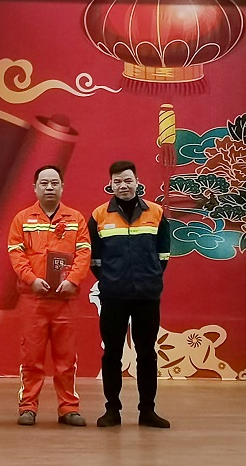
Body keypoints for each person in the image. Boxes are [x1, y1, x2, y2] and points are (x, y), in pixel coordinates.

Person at [7, 165, 91, 427]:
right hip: (33, 300)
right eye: (44, 183)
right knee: (31, 359)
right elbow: (16, 254)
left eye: (54, 183)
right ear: (35, 188)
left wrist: (73, 280)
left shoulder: (76, 219)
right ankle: (28, 407)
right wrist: (31, 280)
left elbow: (84, 253)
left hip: (66, 301)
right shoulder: (22, 219)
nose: (49, 188)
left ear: (62, 187)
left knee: (66, 360)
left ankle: (69, 408)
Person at [89, 160, 171, 429]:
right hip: (113, 296)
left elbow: (163, 255)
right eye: (117, 181)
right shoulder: (99, 215)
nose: (123, 185)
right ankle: (112, 410)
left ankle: (147, 410)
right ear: (110, 185)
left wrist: (150, 277)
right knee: (112, 353)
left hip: (147, 296)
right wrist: (110, 281)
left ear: (137, 182)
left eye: (127, 180)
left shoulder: (156, 213)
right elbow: (94, 259)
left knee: (146, 353)